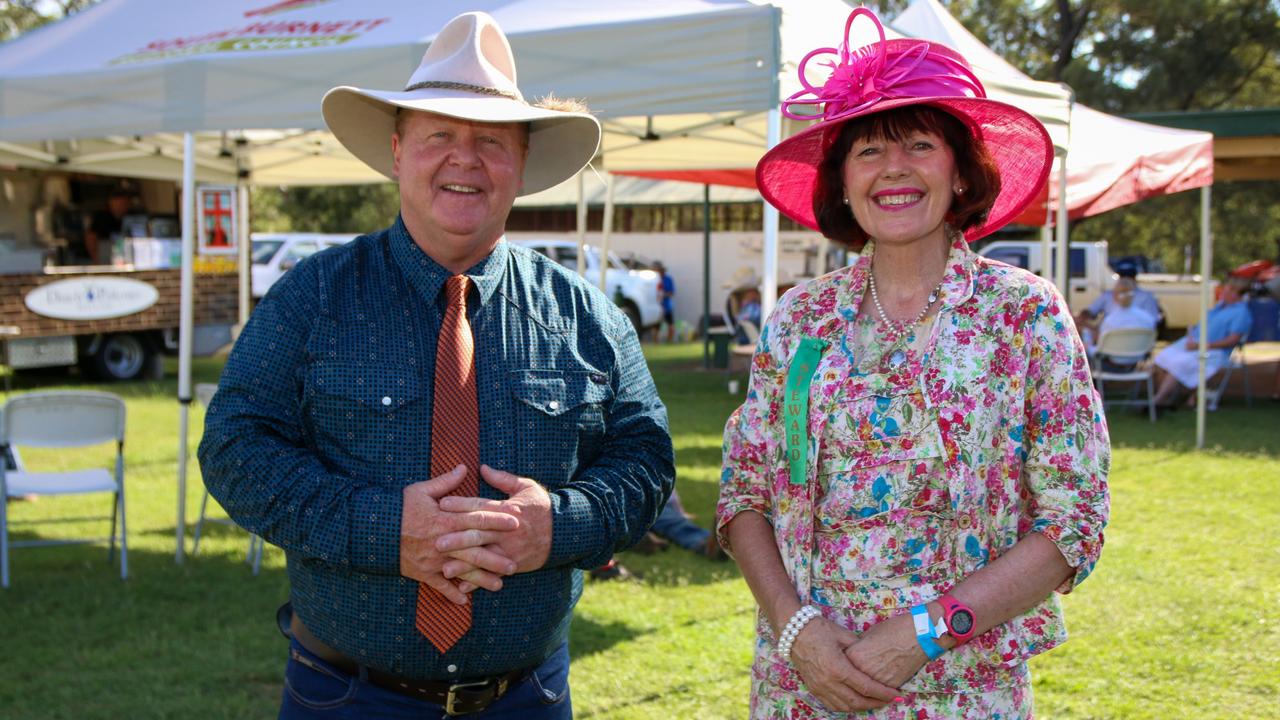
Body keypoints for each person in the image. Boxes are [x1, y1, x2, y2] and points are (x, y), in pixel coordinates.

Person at [198, 12, 674, 719]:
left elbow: (645, 463)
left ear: (522, 164)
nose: (465, 159)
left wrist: (560, 527)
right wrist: (383, 530)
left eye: (490, 141)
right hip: (345, 696)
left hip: (529, 698)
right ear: (397, 152)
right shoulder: (312, 295)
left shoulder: (587, 317)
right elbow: (235, 448)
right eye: (440, 136)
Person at [716, 8, 1110, 718]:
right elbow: (745, 493)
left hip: (963, 688)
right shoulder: (798, 320)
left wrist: (923, 635)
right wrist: (797, 629)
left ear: (962, 172)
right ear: (840, 182)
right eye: (867, 151)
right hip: (806, 684)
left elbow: (1073, 519)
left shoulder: (1023, 313)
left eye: (919, 144)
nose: (893, 168)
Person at [1151, 275, 1252, 408]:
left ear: (1235, 294)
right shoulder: (1218, 308)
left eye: (1226, 290)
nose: (1222, 293)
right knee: (1161, 358)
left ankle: (1157, 401)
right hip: (1193, 344)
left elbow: (1232, 340)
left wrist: (1202, 345)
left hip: (1214, 351)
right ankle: (1168, 398)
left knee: (1179, 363)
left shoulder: (1241, 313)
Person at [1081, 276, 1159, 357]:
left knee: (1086, 336)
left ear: (1114, 297)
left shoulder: (1110, 321)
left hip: (1110, 362)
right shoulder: (1148, 319)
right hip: (1137, 360)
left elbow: (1100, 342)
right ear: (1133, 296)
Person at [1076, 263, 1163, 335]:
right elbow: (1152, 323)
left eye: (1129, 276)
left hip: (1111, 346)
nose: (1126, 279)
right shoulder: (1145, 317)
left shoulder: (1110, 321)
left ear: (1116, 297)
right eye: (1123, 276)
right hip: (1138, 348)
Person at [81, 189, 133, 265]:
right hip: (104, 258)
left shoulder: (129, 217)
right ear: (111, 202)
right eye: (119, 203)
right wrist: (95, 258)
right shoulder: (101, 217)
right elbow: (90, 237)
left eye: (124, 203)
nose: (121, 206)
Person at [654, 261, 676, 343]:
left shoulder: (668, 279)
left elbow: (672, 292)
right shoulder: (654, 280)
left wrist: (663, 295)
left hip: (667, 306)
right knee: (656, 325)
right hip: (657, 306)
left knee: (670, 324)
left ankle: (669, 341)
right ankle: (655, 342)